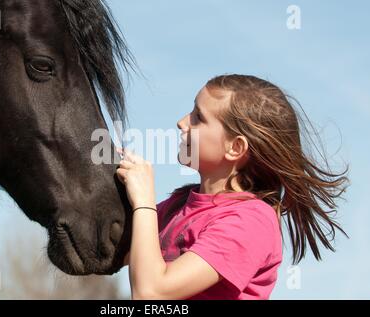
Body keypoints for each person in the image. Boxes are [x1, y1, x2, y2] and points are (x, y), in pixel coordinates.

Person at [115, 74, 349, 300]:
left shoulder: (251, 221)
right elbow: (112, 246)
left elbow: (152, 292)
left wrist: (144, 201)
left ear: (235, 148)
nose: (182, 122)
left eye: (199, 117)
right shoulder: (180, 203)